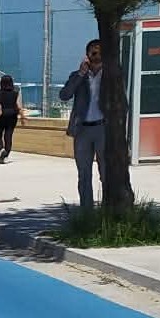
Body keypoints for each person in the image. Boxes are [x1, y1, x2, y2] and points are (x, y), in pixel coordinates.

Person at [60, 39, 107, 209]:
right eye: (93, 52)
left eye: (100, 51)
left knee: (106, 172)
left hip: (103, 128)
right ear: (87, 55)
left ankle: (107, 209)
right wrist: (80, 74)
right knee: (84, 173)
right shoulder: (78, 76)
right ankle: (87, 210)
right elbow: (64, 95)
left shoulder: (110, 76)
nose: (97, 55)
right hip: (82, 130)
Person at [0, 75, 24, 164]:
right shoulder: (16, 93)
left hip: (1, 115)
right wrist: (22, 117)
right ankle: (5, 156)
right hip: (12, 115)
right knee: (8, 135)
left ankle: (2, 150)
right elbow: (19, 106)